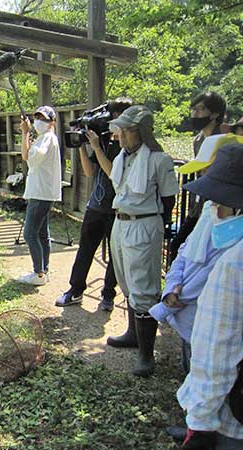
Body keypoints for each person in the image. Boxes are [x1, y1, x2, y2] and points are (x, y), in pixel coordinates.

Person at [149, 134, 243, 374]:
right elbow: (185, 252)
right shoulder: (210, 209)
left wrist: (167, 306)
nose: (204, 177)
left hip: (217, 334)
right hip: (190, 324)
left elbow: (206, 280)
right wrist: (171, 287)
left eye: (208, 171)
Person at [176, 144, 243, 450]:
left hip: (232, 417)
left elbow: (218, 349)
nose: (215, 210)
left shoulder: (234, 263)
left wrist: (199, 423)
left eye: (220, 202)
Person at [105, 105, 179, 377]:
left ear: (142, 132)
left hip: (144, 224)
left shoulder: (159, 160)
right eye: (120, 130)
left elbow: (169, 199)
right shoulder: (123, 157)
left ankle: (147, 355)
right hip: (120, 223)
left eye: (128, 131)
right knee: (125, 280)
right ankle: (132, 334)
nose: (121, 136)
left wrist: (156, 229)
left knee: (144, 287)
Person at [55, 98, 132, 310]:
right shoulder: (105, 141)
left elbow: (112, 173)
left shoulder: (128, 146)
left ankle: (108, 294)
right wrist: (81, 145)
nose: (113, 120)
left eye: (117, 115)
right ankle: (75, 290)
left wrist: (97, 147)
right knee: (85, 251)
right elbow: (90, 172)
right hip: (96, 206)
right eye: (113, 115)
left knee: (115, 256)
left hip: (118, 208)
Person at [169, 92, 226, 263]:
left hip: (219, 204)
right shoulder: (198, 140)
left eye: (199, 110)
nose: (194, 114)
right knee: (178, 246)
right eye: (193, 110)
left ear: (215, 114)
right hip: (198, 205)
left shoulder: (225, 139)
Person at [16, 106, 62, 285]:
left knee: (29, 234)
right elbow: (29, 155)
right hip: (44, 192)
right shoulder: (46, 138)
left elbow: (27, 156)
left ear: (52, 122)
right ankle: (44, 270)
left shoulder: (47, 139)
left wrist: (25, 133)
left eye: (43, 118)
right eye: (37, 118)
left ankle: (39, 273)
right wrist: (27, 134)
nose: (39, 121)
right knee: (42, 233)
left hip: (41, 193)